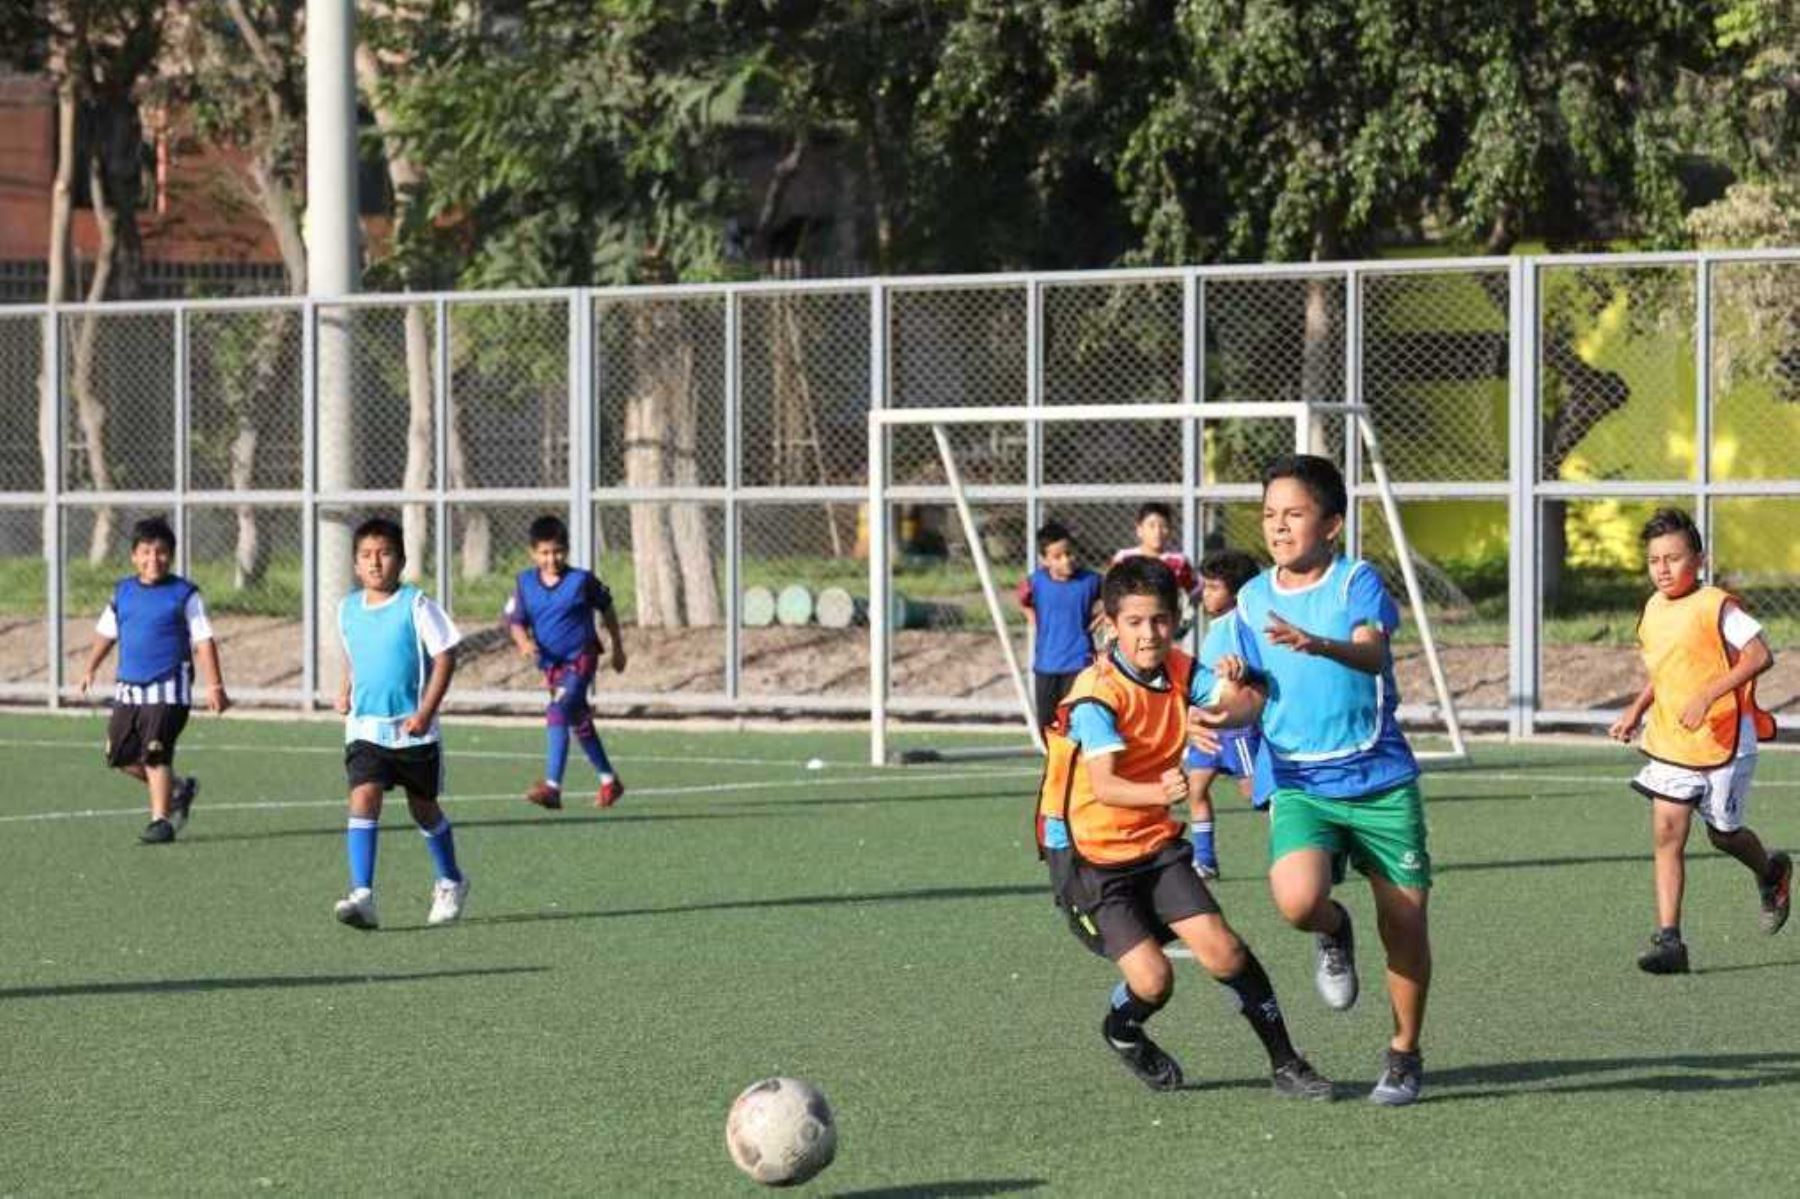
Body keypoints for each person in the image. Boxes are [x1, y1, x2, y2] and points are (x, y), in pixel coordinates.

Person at [1035, 554, 1332, 1100]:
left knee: (1225, 950)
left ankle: (1287, 1064)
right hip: (1089, 859)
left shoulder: (1179, 668)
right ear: (1109, 623)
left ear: (1175, 619)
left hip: (1152, 845)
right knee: (1153, 981)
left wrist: (1246, 685)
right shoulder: (1095, 696)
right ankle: (1122, 1030)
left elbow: (1237, 710)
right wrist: (1163, 791)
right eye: (1135, 622)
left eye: (1160, 620)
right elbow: (1105, 786)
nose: (1149, 634)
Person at [1197, 453, 1432, 1106]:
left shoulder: (1357, 580)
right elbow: (1247, 696)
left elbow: (1371, 651)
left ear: (1331, 523)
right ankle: (1334, 928)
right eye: (1269, 515)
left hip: (1379, 778)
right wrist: (1221, 709)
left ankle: (1404, 1051)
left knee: (1406, 924)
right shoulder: (1249, 599)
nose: (1278, 526)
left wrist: (1317, 643)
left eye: (1293, 513)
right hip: (1299, 778)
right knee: (1297, 900)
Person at [1607, 507, 1787, 974]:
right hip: (1671, 738)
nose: (1663, 568)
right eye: (1654, 560)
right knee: (1668, 832)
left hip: (1725, 735)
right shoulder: (1652, 608)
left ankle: (1770, 872)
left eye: (1673, 558)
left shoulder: (1716, 605)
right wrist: (1635, 709)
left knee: (1724, 835)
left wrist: (1709, 694)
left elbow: (1760, 655)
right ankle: (1670, 941)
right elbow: (1665, 672)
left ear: (1699, 560)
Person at [332, 517, 468, 930]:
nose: (375, 563)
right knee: (364, 797)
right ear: (356, 564)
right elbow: (358, 657)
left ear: (402, 560)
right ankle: (363, 895)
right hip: (365, 729)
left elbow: (446, 655)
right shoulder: (348, 608)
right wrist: (345, 687)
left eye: (385, 554)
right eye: (366, 556)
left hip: (413, 730)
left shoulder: (416, 605)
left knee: (423, 808)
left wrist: (425, 711)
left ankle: (450, 880)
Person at [78, 516, 229, 844]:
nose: (153, 559)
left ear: (171, 556)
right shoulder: (123, 592)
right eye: (145, 552)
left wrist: (214, 685)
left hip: (169, 688)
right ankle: (178, 788)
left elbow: (203, 641)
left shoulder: (184, 594)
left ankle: (161, 821)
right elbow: (107, 632)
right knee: (119, 756)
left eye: (161, 552)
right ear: (134, 556)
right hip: (128, 689)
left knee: (155, 753)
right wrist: (90, 666)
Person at [505, 514, 629, 809]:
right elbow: (516, 621)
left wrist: (618, 648)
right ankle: (609, 782)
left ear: (567, 550)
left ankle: (552, 787)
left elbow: (607, 609)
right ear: (533, 552)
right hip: (551, 665)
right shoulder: (524, 583)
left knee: (558, 710)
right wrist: (524, 643)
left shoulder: (581, 581)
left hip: (580, 658)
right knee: (579, 720)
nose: (552, 558)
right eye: (545, 553)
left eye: (558, 551)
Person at [1182, 548, 1267, 879]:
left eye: (1214, 587)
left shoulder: (1239, 625)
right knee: (1196, 788)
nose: (1206, 593)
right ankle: (1205, 860)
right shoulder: (1216, 625)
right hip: (1209, 724)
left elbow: (1253, 669)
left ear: (1236, 593)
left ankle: (1313, 846)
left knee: (1258, 795)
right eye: (1205, 585)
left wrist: (1243, 673)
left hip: (1237, 727)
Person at [1016, 520, 1103, 731]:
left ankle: (1077, 763)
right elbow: (1021, 598)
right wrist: (1032, 616)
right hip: (1046, 665)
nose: (1067, 560)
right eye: (1058, 557)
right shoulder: (1036, 582)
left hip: (1079, 664)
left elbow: (1116, 598)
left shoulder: (1091, 580)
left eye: (1069, 553)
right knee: (1047, 726)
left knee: (1076, 723)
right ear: (1044, 560)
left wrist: (1104, 616)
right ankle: (1055, 762)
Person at [1111, 502, 1199, 599]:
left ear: (1170, 530)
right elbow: (1111, 590)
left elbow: (1195, 590)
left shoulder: (1179, 561)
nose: (1158, 532)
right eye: (1151, 526)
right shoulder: (1124, 558)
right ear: (1139, 530)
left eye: (1164, 526)